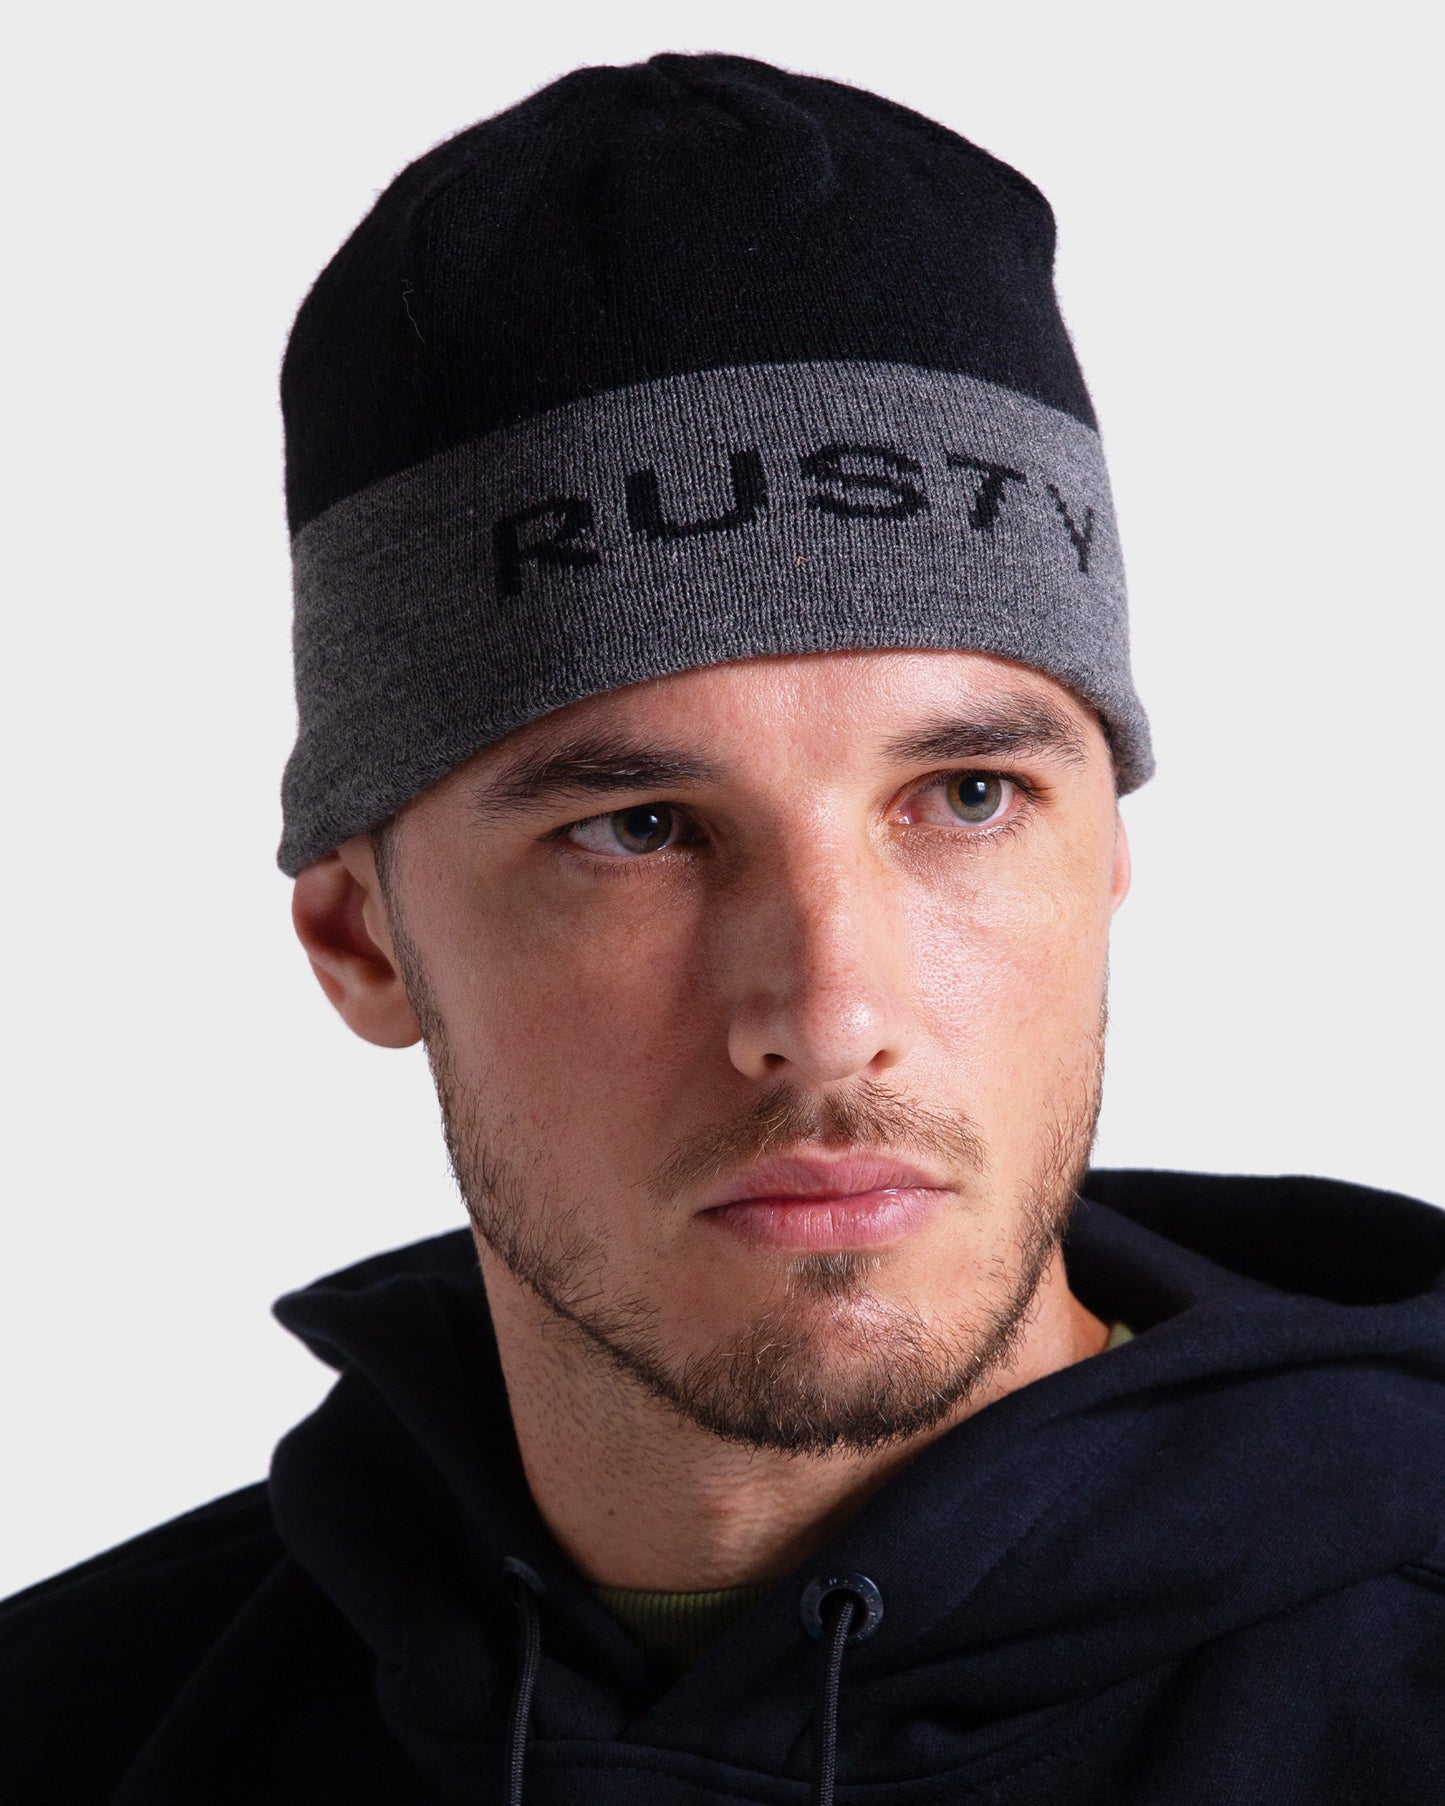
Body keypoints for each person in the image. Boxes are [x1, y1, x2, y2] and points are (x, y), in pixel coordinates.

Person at [3, 51, 1442, 1806]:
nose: (828, 1011)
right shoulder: (75, 1731)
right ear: (362, 940)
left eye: (966, 794)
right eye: (639, 829)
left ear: (1104, 858)